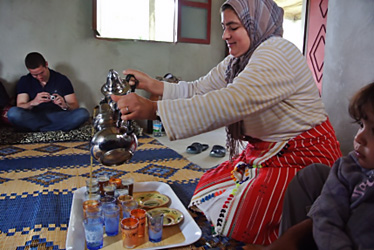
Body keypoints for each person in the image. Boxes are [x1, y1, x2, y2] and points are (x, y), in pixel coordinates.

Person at [111, 0, 342, 245]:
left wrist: (152, 109)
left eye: (233, 27)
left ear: (255, 25)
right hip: (266, 154)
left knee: (242, 212)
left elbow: (230, 102)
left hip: (304, 157)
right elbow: (199, 89)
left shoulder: (278, 51)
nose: (225, 35)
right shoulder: (237, 62)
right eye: (224, 27)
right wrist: (153, 85)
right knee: (208, 186)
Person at [243, 82, 374, 250]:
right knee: (310, 175)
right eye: (361, 125)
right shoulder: (348, 168)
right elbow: (328, 215)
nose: (359, 138)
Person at [7, 52, 90, 132]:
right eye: (35, 75)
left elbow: (75, 105)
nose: (39, 77)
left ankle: (39, 129)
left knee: (83, 113)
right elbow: (20, 105)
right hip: (35, 116)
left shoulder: (61, 79)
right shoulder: (25, 80)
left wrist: (64, 105)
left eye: (41, 73)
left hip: (58, 115)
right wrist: (33, 102)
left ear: (46, 64)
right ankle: (54, 128)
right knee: (12, 113)